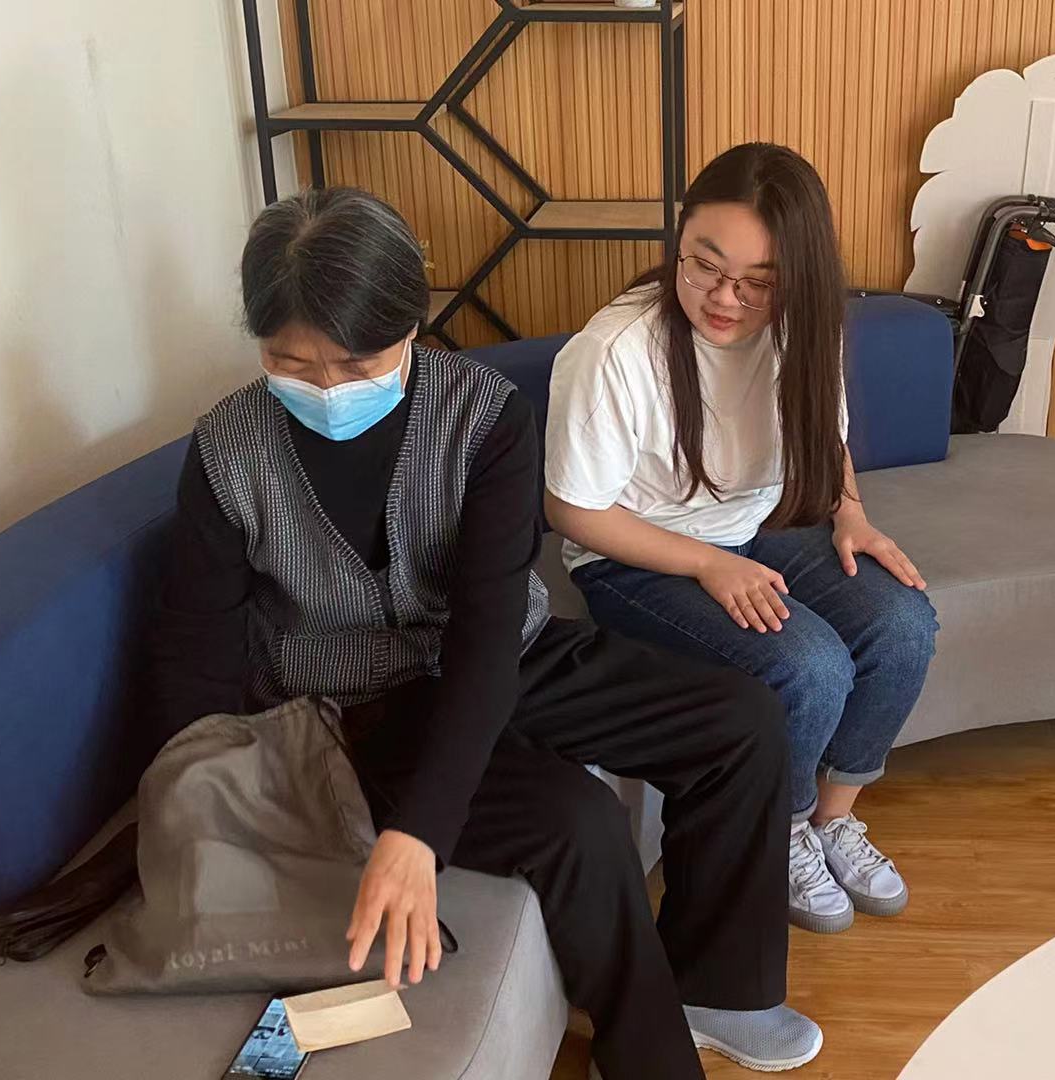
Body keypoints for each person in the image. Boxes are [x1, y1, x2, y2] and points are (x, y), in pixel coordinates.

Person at [150, 186, 822, 1078]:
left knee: (742, 722)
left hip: (502, 653)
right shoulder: (227, 450)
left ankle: (716, 990)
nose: (326, 389)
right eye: (290, 362)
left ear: (411, 326)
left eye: (355, 363)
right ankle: (650, 1058)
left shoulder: (484, 415)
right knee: (579, 823)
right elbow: (196, 654)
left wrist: (422, 832)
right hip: (347, 713)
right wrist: (209, 812)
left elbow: (487, 631)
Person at [545, 143, 940, 937]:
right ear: (680, 237)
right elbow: (573, 512)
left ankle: (832, 820)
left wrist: (851, 512)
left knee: (904, 624)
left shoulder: (803, 329)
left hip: (752, 528)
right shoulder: (614, 351)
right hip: (635, 556)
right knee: (809, 666)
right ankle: (781, 832)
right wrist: (708, 564)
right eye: (704, 265)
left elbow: (824, 436)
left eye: (759, 281)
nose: (725, 298)